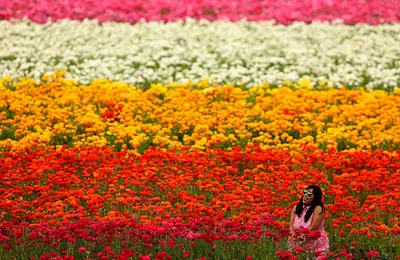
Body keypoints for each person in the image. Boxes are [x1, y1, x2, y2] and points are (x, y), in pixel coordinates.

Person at [289, 184, 329, 259]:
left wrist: (300, 241)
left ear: (315, 198)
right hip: (296, 241)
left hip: (314, 244)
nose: (305, 195)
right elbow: (291, 226)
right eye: (305, 192)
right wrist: (294, 238)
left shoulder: (318, 209)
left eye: (309, 194)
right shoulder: (296, 207)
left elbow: (313, 228)